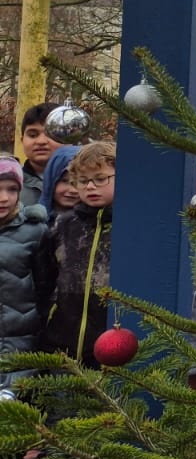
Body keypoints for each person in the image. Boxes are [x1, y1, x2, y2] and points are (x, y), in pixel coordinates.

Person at [38, 141, 116, 365]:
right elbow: (44, 279)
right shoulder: (63, 226)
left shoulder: (130, 228)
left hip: (111, 345)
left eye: (100, 179)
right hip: (61, 342)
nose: (90, 186)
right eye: (82, 180)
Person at [0, 155, 48, 392]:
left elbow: (46, 287)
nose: (4, 198)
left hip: (21, 346)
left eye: (12, 189)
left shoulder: (35, 231)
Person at [17, 103, 62, 208]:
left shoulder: (90, 184)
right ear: (22, 141)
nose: (41, 141)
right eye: (33, 135)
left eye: (51, 134)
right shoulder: (9, 184)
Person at [39, 145, 79, 219]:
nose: (73, 190)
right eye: (65, 181)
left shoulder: (97, 221)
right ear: (50, 181)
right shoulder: (34, 219)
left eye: (80, 182)